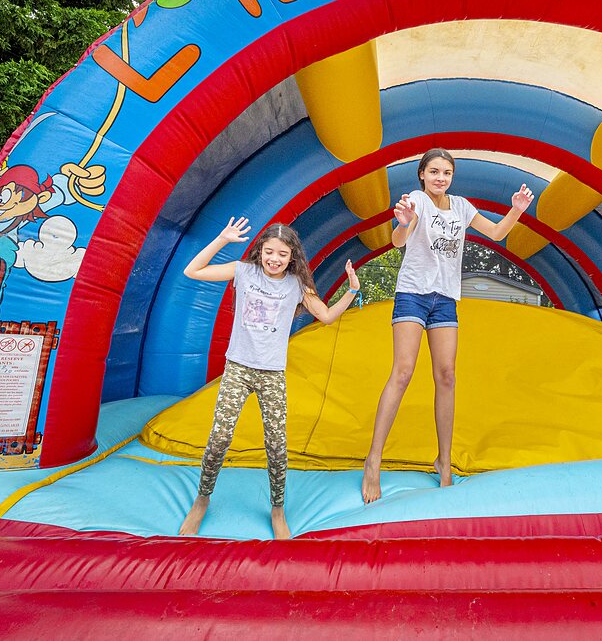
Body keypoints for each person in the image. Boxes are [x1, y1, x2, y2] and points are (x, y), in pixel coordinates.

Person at [361, 149, 534, 503]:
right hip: (413, 293)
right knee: (403, 371)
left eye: (447, 172)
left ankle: (444, 461)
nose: (441, 178)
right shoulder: (418, 202)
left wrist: (516, 208)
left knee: (447, 375)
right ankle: (373, 462)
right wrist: (405, 221)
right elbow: (397, 241)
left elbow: (498, 233)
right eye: (435, 171)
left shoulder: (461, 207)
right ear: (422, 174)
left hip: (445, 298)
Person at [178, 217, 360, 539]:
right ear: (260, 250)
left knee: (276, 445)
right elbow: (192, 271)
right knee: (219, 439)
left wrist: (351, 291)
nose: (275, 259)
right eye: (269, 252)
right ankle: (201, 499)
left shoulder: (296, 286)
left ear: (293, 258)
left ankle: (277, 508)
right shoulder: (243, 272)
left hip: (272, 373)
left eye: (283, 254)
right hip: (238, 368)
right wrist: (222, 238)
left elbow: (328, 316)